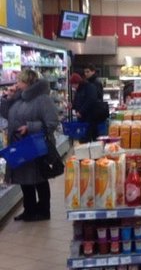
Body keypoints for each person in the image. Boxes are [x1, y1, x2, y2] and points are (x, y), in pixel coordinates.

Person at [0, 69, 59, 222]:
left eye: (19, 81)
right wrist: (7, 98)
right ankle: (29, 210)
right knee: (24, 180)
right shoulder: (19, 98)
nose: (16, 84)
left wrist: (30, 127)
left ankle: (44, 211)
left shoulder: (43, 99)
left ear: (28, 83)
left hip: (36, 146)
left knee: (39, 179)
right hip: (20, 146)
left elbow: (52, 122)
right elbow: (7, 115)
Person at [70, 73, 100, 142]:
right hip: (82, 119)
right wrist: (72, 105)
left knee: (93, 138)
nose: (72, 87)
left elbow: (91, 100)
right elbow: (77, 101)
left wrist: (81, 111)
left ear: (77, 82)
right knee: (84, 138)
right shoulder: (78, 90)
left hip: (91, 118)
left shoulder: (89, 87)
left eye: (73, 84)